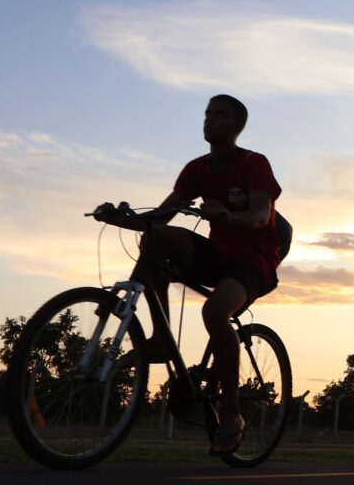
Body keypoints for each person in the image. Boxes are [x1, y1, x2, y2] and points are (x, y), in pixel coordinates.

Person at [92, 94, 282, 456]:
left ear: (237, 126)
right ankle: (161, 339)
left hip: (254, 259)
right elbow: (158, 217)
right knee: (157, 238)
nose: (209, 120)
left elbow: (260, 216)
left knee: (213, 313)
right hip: (217, 254)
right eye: (207, 114)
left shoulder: (254, 163)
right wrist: (119, 218)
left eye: (220, 115)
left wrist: (225, 215)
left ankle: (231, 414)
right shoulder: (196, 168)